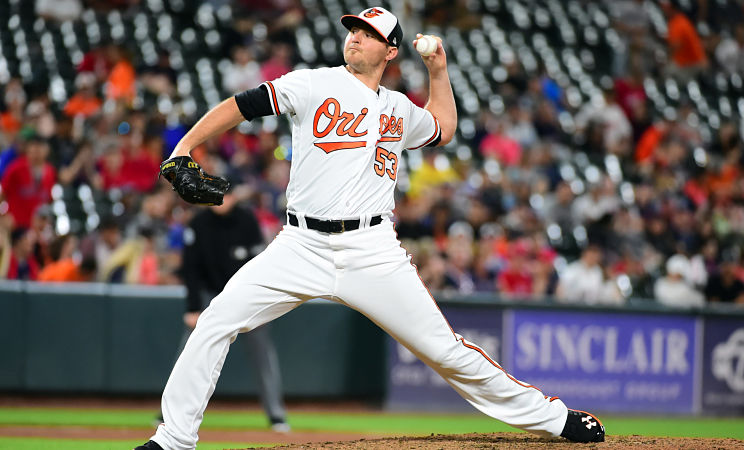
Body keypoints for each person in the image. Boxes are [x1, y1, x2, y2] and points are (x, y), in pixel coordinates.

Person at [136, 7, 604, 449]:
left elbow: (443, 126)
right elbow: (242, 104)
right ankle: (172, 440)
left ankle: (555, 419)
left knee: (445, 351)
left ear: (391, 51)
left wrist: (439, 70)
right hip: (301, 243)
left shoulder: (399, 109)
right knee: (217, 320)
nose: (355, 37)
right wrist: (185, 147)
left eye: (370, 34)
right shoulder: (314, 84)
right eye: (353, 30)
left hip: (372, 247)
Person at [162, 185, 288, 431]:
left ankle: (277, 415)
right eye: (218, 194)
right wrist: (193, 307)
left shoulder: (246, 220)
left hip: (246, 296)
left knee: (263, 356)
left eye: (227, 195)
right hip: (210, 295)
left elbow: (260, 261)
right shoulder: (199, 222)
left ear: (233, 197)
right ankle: (167, 415)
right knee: (189, 352)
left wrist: (261, 302)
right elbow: (191, 269)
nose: (222, 200)